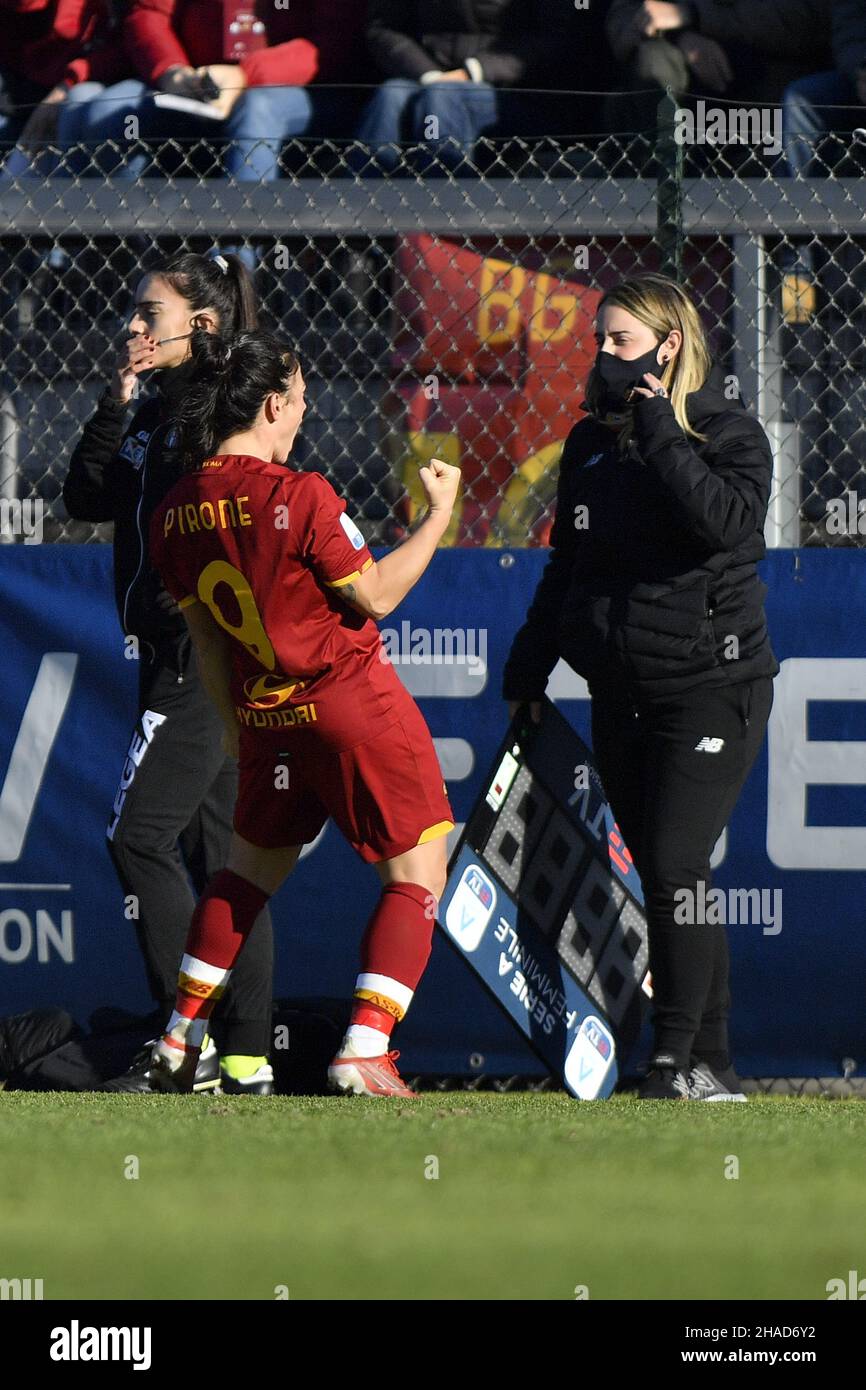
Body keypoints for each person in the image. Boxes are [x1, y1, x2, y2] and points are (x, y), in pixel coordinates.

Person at [143, 328, 458, 1096]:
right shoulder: (299, 493)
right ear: (274, 404)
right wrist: (439, 516)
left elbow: (211, 650)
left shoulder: (176, 508)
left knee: (244, 877)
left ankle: (182, 1036)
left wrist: (241, 729)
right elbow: (375, 595)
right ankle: (365, 1046)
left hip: (265, 719)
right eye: (302, 403)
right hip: (349, 701)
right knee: (419, 871)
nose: (302, 420)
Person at [503, 273, 778, 1101]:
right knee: (671, 871)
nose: (602, 355)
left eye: (619, 341)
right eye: (598, 340)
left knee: (673, 862)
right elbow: (569, 565)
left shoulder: (728, 433)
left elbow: (727, 524)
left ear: (669, 346)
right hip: (620, 688)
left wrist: (661, 428)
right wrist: (529, 665)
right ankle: (716, 1063)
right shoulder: (591, 445)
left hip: (712, 684)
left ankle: (672, 1059)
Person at [62, 251, 276, 1095]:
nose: (134, 327)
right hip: (178, 657)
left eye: (151, 314)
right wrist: (116, 406)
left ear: (205, 326)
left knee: (138, 836)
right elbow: (86, 496)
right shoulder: (152, 410)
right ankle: (247, 1059)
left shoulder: (219, 416)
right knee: (226, 854)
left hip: (202, 656)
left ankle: (183, 1046)